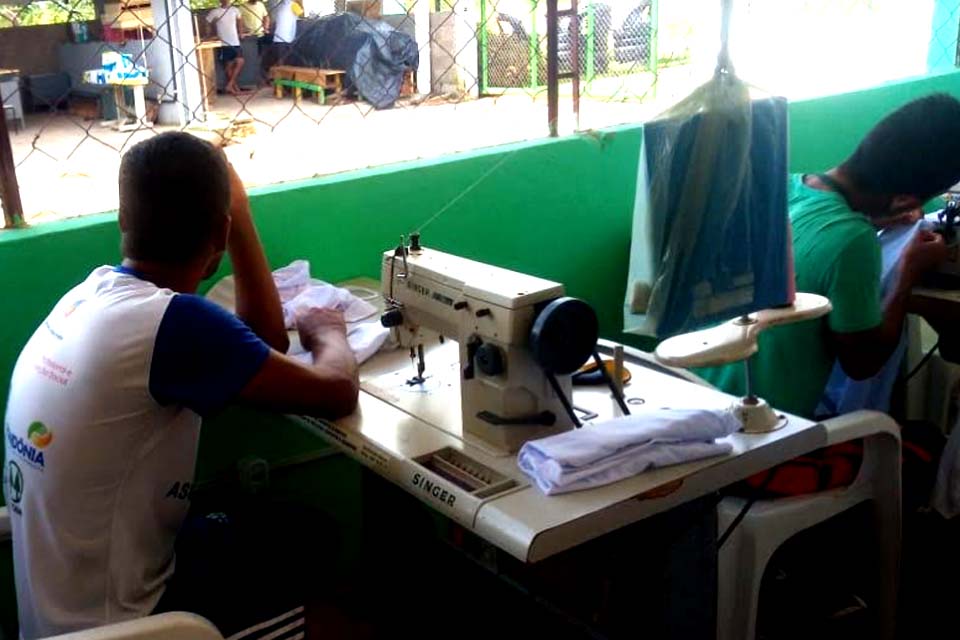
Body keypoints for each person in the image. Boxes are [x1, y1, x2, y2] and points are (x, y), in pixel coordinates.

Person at [3, 132, 359, 639]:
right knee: (310, 540)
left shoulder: (88, 296)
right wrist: (328, 332)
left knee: (262, 521)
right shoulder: (175, 326)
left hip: (58, 616)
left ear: (124, 220)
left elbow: (262, 344)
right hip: (126, 623)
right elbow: (335, 391)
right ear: (220, 233)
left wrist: (233, 218)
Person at [699, 93, 960, 497]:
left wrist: (877, 217)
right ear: (906, 200)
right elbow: (863, 362)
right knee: (922, 445)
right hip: (757, 451)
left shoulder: (784, 188)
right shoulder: (853, 240)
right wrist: (907, 272)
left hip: (700, 419)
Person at [207, 0, 245, 95]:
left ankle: (230, 84)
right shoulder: (215, 11)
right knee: (228, 65)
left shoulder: (235, 10)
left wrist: (241, 33)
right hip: (223, 42)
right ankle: (234, 88)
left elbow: (240, 22)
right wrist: (210, 34)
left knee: (240, 61)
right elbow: (207, 22)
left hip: (235, 40)